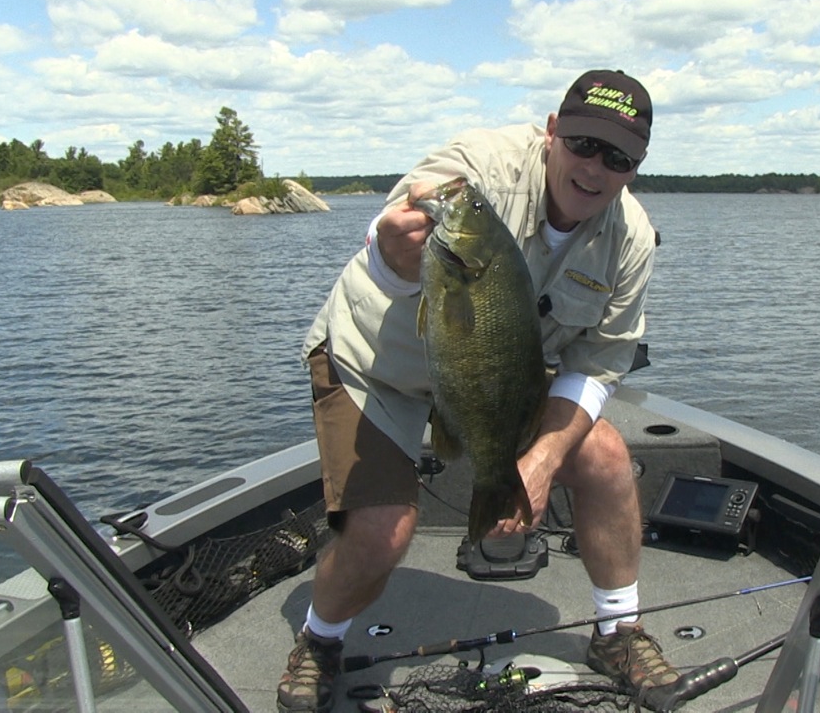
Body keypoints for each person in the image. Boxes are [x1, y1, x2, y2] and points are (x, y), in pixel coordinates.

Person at [278, 69, 677, 712]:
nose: (594, 168)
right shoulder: (478, 172)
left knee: (603, 457)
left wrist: (541, 463)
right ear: (551, 131)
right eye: (582, 143)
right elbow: (402, 217)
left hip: (492, 374)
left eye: (618, 157)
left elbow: (598, 364)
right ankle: (320, 642)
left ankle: (618, 633)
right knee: (384, 531)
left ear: (635, 167)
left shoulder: (629, 239)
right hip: (373, 363)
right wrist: (391, 250)